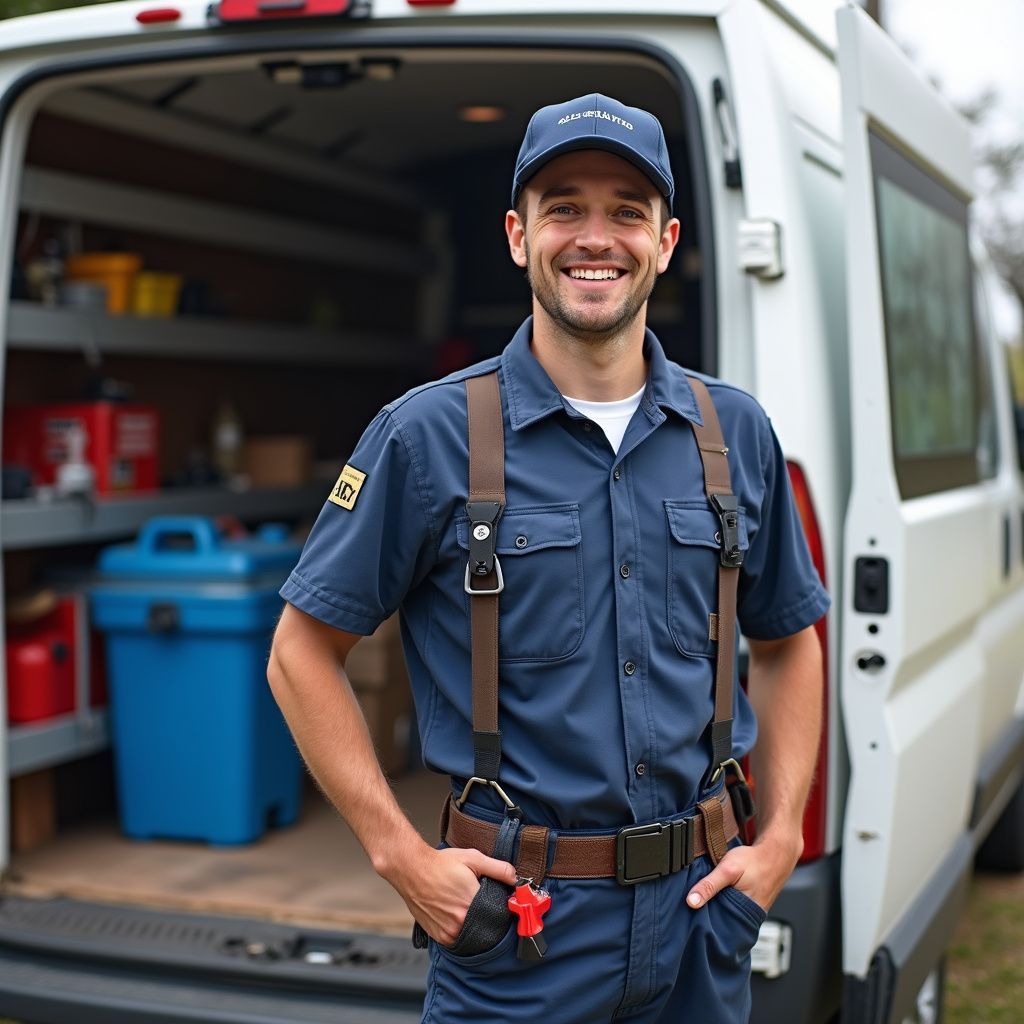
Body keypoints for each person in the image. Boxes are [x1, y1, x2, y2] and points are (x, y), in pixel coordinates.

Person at [268, 93, 829, 1023]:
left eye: (626, 211)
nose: (594, 237)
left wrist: (777, 847)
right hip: (520, 940)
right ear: (518, 235)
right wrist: (402, 859)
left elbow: (789, 641)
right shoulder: (426, 435)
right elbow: (301, 652)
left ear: (667, 239)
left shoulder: (736, 433)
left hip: (701, 926)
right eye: (564, 206)